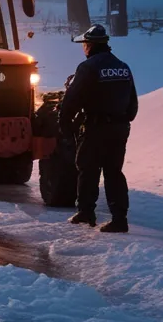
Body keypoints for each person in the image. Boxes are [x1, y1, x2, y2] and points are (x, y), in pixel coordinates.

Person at [59, 24, 138, 233]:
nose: (83, 48)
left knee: (87, 168)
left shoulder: (88, 68)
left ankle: (86, 211)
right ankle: (120, 218)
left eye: (84, 44)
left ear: (90, 45)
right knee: (114, 172)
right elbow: (133, 104)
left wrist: (65, 124)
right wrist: (122, 121)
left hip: (96, 127)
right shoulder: (123, 67)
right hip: (120, 128)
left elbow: (72, 99)